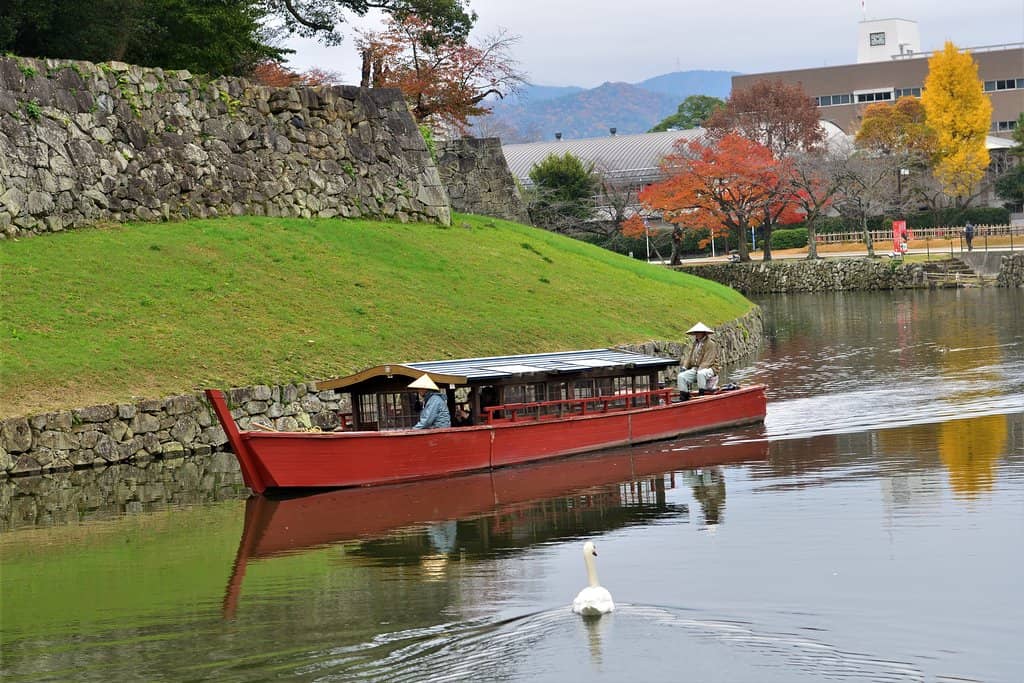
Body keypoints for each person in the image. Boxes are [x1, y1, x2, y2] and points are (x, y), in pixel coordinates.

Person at [677, 322, 721, 400]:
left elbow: (709, 360)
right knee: (681, 376)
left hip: (711, 369)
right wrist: (684, 367)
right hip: (696, 368)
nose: (696, 334)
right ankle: (684, 396)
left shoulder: (711, 344)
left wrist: (700, 368)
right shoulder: (695, 344)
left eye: (698, 332)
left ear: (703, 333)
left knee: (701, 374)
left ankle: (702, 394)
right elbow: (689, 357)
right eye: (696, 333)